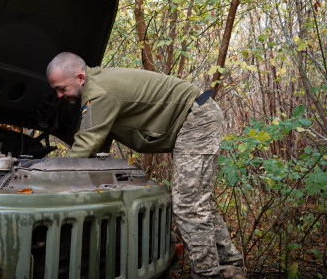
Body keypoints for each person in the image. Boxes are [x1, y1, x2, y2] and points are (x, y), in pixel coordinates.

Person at [46, 51, 246, 279]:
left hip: (197, 118)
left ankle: (207, 274)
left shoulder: (98, 92)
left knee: (187, 204)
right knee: (199, 203)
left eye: (62, 88)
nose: (59, 95)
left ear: (80, 78)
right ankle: (231, 268)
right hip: (197, 116)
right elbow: (98, 146)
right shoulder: (97, 86)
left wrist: (51, 175)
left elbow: (85, 144)